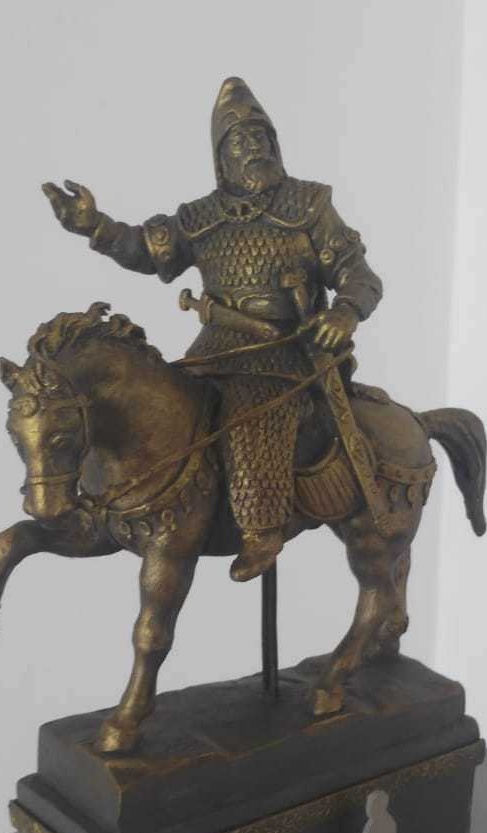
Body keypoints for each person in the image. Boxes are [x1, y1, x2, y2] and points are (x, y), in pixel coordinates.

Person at [44, 76, 383, 581]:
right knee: (169, 411)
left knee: (250, 411)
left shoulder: (309, 206)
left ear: (275, 144)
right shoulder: (200, 218)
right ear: (222, 155)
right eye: (240, 141)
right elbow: (146, 248)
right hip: (214, 347)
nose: (253, 148)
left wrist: (345, 311)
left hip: (285, 349)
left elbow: (357, 272)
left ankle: (262, 527)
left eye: (260, 137)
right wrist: (97, 226)